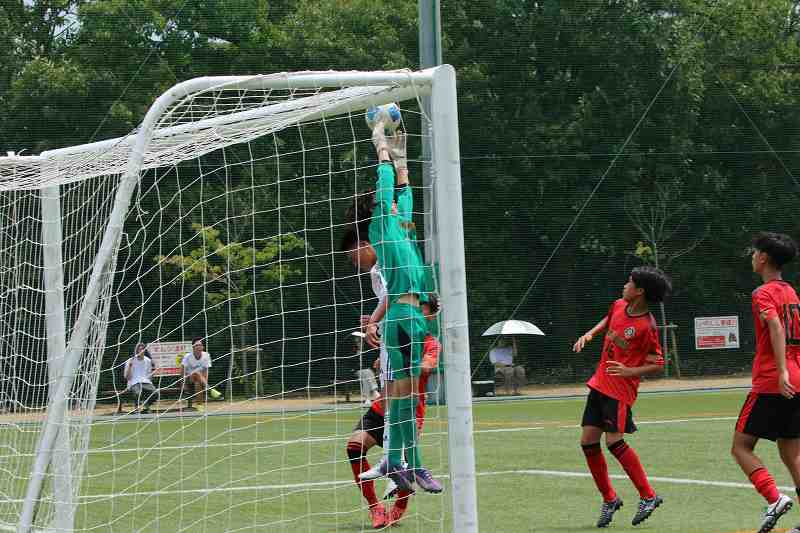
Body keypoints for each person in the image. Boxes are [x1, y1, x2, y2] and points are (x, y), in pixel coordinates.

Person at [341, 121, 442, 496]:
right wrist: (381, 146)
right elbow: (387, 190)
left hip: (416, 319)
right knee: (400, 395)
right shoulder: (381, 227)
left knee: (406, 396)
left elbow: (406, 195)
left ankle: (395, 461)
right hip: (399, 318)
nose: (396, 205)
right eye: (389, 202)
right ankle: (408, 462)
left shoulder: (402, 227)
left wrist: (402, 161)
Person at [573, 266, 671, 527]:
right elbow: (608, 320)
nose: (624, 286)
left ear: (639, 291)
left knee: (614, 442)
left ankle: (648, 495)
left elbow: (658, 363)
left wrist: (630, 371)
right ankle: (610, 499)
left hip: (619, 390)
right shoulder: (618, 305)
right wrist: (590, 334)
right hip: (599, 383)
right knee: (588, 442)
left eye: (629, 282)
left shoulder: (646, 326)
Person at [345, 298, 442, 528]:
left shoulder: (431, 343)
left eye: (420, 311)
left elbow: (426, 366)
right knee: (354, 447)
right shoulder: (395, 332)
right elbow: (381, 346)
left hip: (409, 411)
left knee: (404, 467)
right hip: (382, 407)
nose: (413, 314)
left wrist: (398, 360)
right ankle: (375, 508)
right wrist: (374, 324)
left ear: (430, 316)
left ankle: (397, 511)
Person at [732, 232, 800, 533]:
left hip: (773, 380)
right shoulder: (791, 292)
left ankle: (774, 498)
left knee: (741, 447)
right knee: (792, 453)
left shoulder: (763, 292)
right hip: (797, 379)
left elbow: (775, 325)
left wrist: (781, 371)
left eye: (754, 252)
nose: (752, 256)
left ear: (763, 258)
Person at [180, 337, 221, 412]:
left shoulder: (206, 355)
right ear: (193, 347)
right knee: (196, 373)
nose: (199, 347)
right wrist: (184, 384)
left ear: (203, 347)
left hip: (201, 380)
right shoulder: (187, 356)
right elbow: (182, 371)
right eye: (197, 345)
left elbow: (206, 371)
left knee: (198, 383)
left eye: (200, 345)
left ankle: (199, 406)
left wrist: (204, 382)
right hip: (189, 379)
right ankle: (210, 389)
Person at [124, 343, 159, 413]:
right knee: (138, 393)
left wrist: (153, 372)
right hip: (134, 382)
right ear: (136, 351)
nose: (141, 351)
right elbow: (127, 377)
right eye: (139, 349)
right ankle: (136, 408)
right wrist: (130, 366)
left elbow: (149, 376)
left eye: (142, 349)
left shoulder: (148, 360)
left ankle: (146, 406)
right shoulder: (130, 360)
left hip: (145, 382)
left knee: (155, 393)